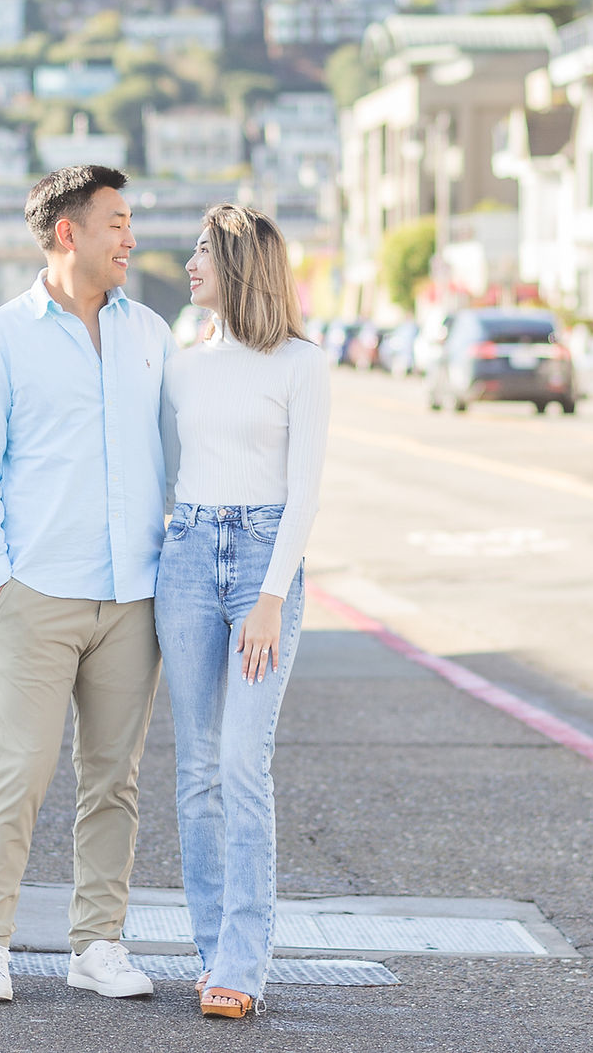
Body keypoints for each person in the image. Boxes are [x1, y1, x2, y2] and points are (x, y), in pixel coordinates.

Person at [0, 165, 174, 1005]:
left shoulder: (150, 331)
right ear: (67, 232)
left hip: (133, 596)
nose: (131, 238)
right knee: (19, 771)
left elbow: (175, 454)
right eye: (117, 222)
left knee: (115, 780)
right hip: (34, 592)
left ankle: (98, 945)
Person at [156, 204, 331, 1019]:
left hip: (264, 561)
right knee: (195, 769)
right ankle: (212, 952)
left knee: (238, 762)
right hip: (186, 553)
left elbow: (305, 494)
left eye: (202, 252)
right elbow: (164, 473)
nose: (189, 265)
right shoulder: (181, 366)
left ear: (239, 265)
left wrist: (270, 598)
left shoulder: (302, 363)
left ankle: (245, 960)